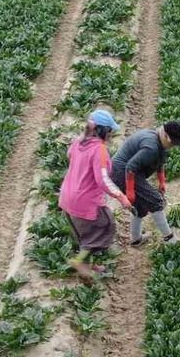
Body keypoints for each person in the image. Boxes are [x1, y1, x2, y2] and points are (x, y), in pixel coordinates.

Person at [59, 109, 133, 278]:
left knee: (84, 234)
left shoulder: (78, 142)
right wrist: (121, 196)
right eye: (110, 131)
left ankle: (88, 266)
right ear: (103, 131)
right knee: (105, 226)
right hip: (85, 200)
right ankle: (80, 261)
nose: (111, 134)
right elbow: (102, 179)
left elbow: (69, 155)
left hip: (67, 197)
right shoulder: (99, 149)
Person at [110, 122, 180, 247]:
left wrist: (161, 181)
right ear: (165, 135)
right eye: (172, 143)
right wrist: (130, 191)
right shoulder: (151, 147)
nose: (172, 146)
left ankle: (136, 239)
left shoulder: (159, 142)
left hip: (131, 171)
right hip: (122, 171)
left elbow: (160, 162)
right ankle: (169, 239)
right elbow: (130, 167)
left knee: (141, 206)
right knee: (155, 200)